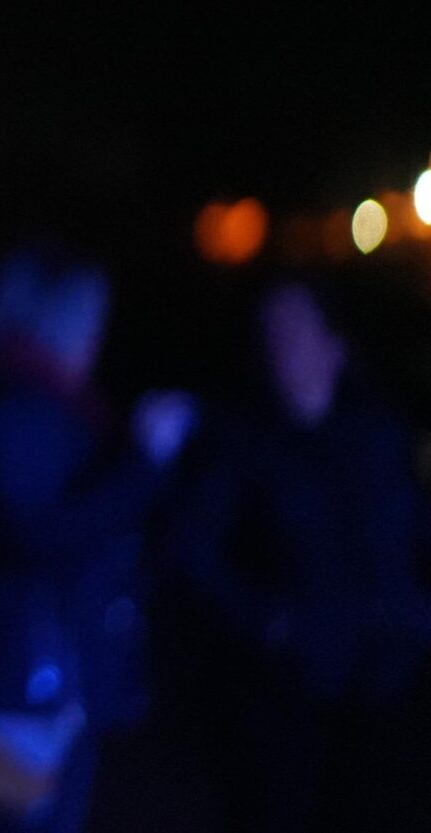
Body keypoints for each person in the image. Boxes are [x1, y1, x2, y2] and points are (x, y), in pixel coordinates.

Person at [0, 247, 194, 832]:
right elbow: (40, 534)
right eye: (91, 316)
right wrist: (144, 460)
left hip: (39, 676)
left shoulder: (38, 400)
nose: (96, 335)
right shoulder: (16, 409)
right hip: (26, 682)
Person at [169, 280, 431, 831]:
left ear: (334, 345)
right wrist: (265, 620)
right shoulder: (240, 443)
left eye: (296, 331)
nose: (283, 347)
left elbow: (412, 530)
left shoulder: (381, 433)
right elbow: (193, 549)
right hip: (288, 690)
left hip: (389, 678)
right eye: (272, 333)